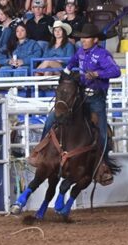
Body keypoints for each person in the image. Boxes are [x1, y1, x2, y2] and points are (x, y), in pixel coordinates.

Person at [41, 23, 121, 183]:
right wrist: (66, 73)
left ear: (95, 40)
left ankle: (102, 164)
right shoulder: (80, 52)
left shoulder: (103, 55)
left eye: (86, 38)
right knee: (52, 117)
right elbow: (71, 63)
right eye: (82, 38)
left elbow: (116, 71)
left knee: (103, 132)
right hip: (81, 95)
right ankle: (41, 151)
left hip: (96, 98)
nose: (83, 41)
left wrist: (97, 73)